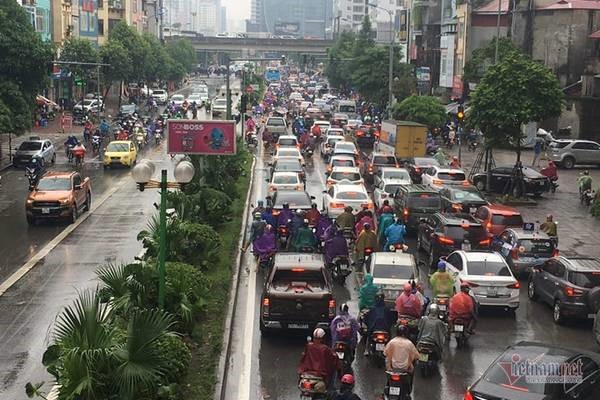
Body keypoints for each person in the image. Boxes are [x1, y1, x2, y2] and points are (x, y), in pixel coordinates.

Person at [383, 324, 420, 394]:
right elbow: (417, 356)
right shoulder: (409, 343)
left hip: (392, 369)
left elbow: (385, 353)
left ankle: (388, 385)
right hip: (405, 370)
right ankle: (409, 391)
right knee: (412, 371)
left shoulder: (392, 342)